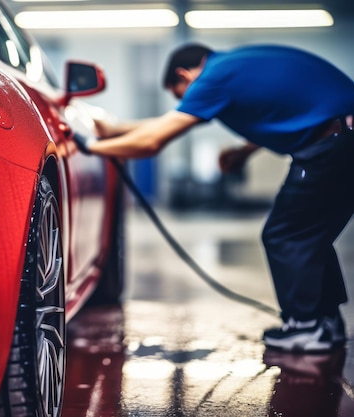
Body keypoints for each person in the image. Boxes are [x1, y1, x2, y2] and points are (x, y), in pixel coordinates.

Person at [78, 43, 354, 352]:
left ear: (185, 75)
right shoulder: (235, 65)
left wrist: (88, 146)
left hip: (334, 143)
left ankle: (308, 328)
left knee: (286, 234)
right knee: (311, 234)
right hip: (343, 134)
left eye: (183, 95)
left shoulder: (213, 79)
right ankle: (327, 322)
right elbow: (280, 105)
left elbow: (154, 140)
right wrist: (244, 151)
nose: (189, 102)